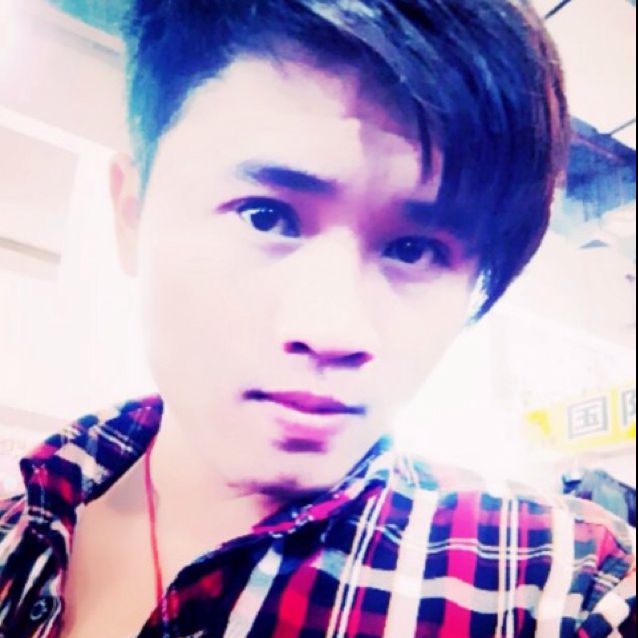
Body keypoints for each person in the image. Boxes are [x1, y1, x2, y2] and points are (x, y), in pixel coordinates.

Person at [0, 0, 635, 636]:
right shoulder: (14, 539)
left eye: (414, 250)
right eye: (266, 216)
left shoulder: (558, 584)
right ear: (132, 214)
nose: (333, 330)